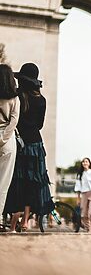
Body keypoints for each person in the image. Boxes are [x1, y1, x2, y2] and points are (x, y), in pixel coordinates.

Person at [6, 63, 54, 232]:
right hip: (36, 144)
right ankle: (25, 220)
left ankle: (12, 221)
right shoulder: (42, 100)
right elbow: (40, 125)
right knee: (33, 183)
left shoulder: (17, 96)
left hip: (19, 143)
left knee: (17, 182)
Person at [0, 64, 20, 228]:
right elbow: (14, 121)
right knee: (3, 184)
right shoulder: (14, 98)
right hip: (7, 142)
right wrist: (3, 139)